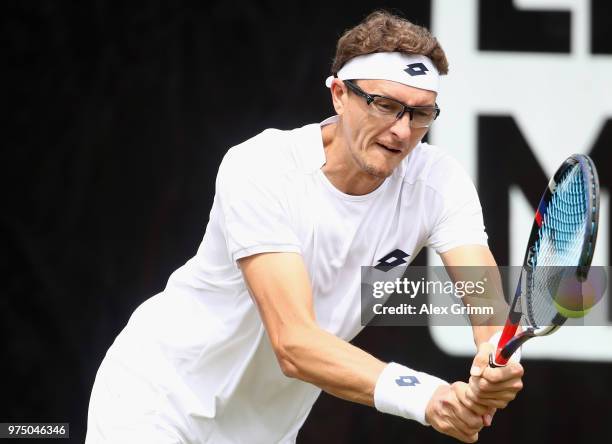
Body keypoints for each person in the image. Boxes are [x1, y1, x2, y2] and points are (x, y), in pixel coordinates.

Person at [86, 10, 523, 444]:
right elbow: (294, 342)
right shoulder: (261, 166)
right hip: (157, 402)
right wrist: (428, 397)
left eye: (420, 114)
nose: (402, 131)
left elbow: (483, 297)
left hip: (265, 431)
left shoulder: (439, 182)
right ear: (338, 94)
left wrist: (493, 358)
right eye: (386, 106)